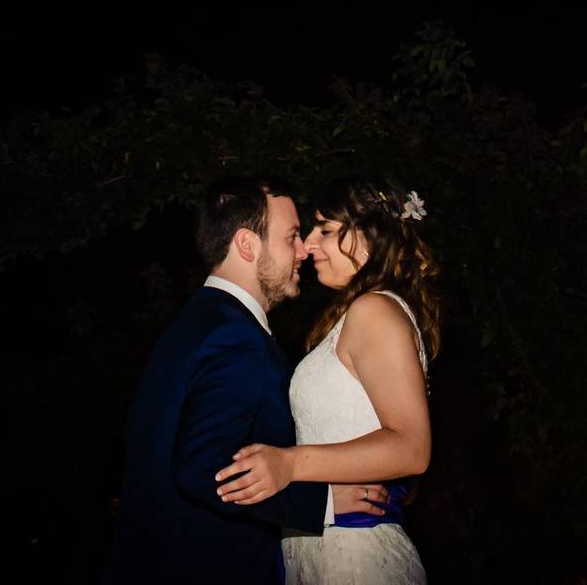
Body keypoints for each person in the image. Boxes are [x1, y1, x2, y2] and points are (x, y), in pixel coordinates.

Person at [104, 176, 386, 585]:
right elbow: (203, 467)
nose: (304, 248)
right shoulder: (234, 336)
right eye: (291, 236)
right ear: (247, 245)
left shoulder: (198, 322)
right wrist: (323, 501)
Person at [214, 174, 441, 584]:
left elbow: (412, 447)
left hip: (355, 557)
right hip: (319, 550)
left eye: (326, 229)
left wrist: (288, 464)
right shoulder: (355, 314)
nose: (309, 245)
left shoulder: (375, 310)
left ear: (372, 235)